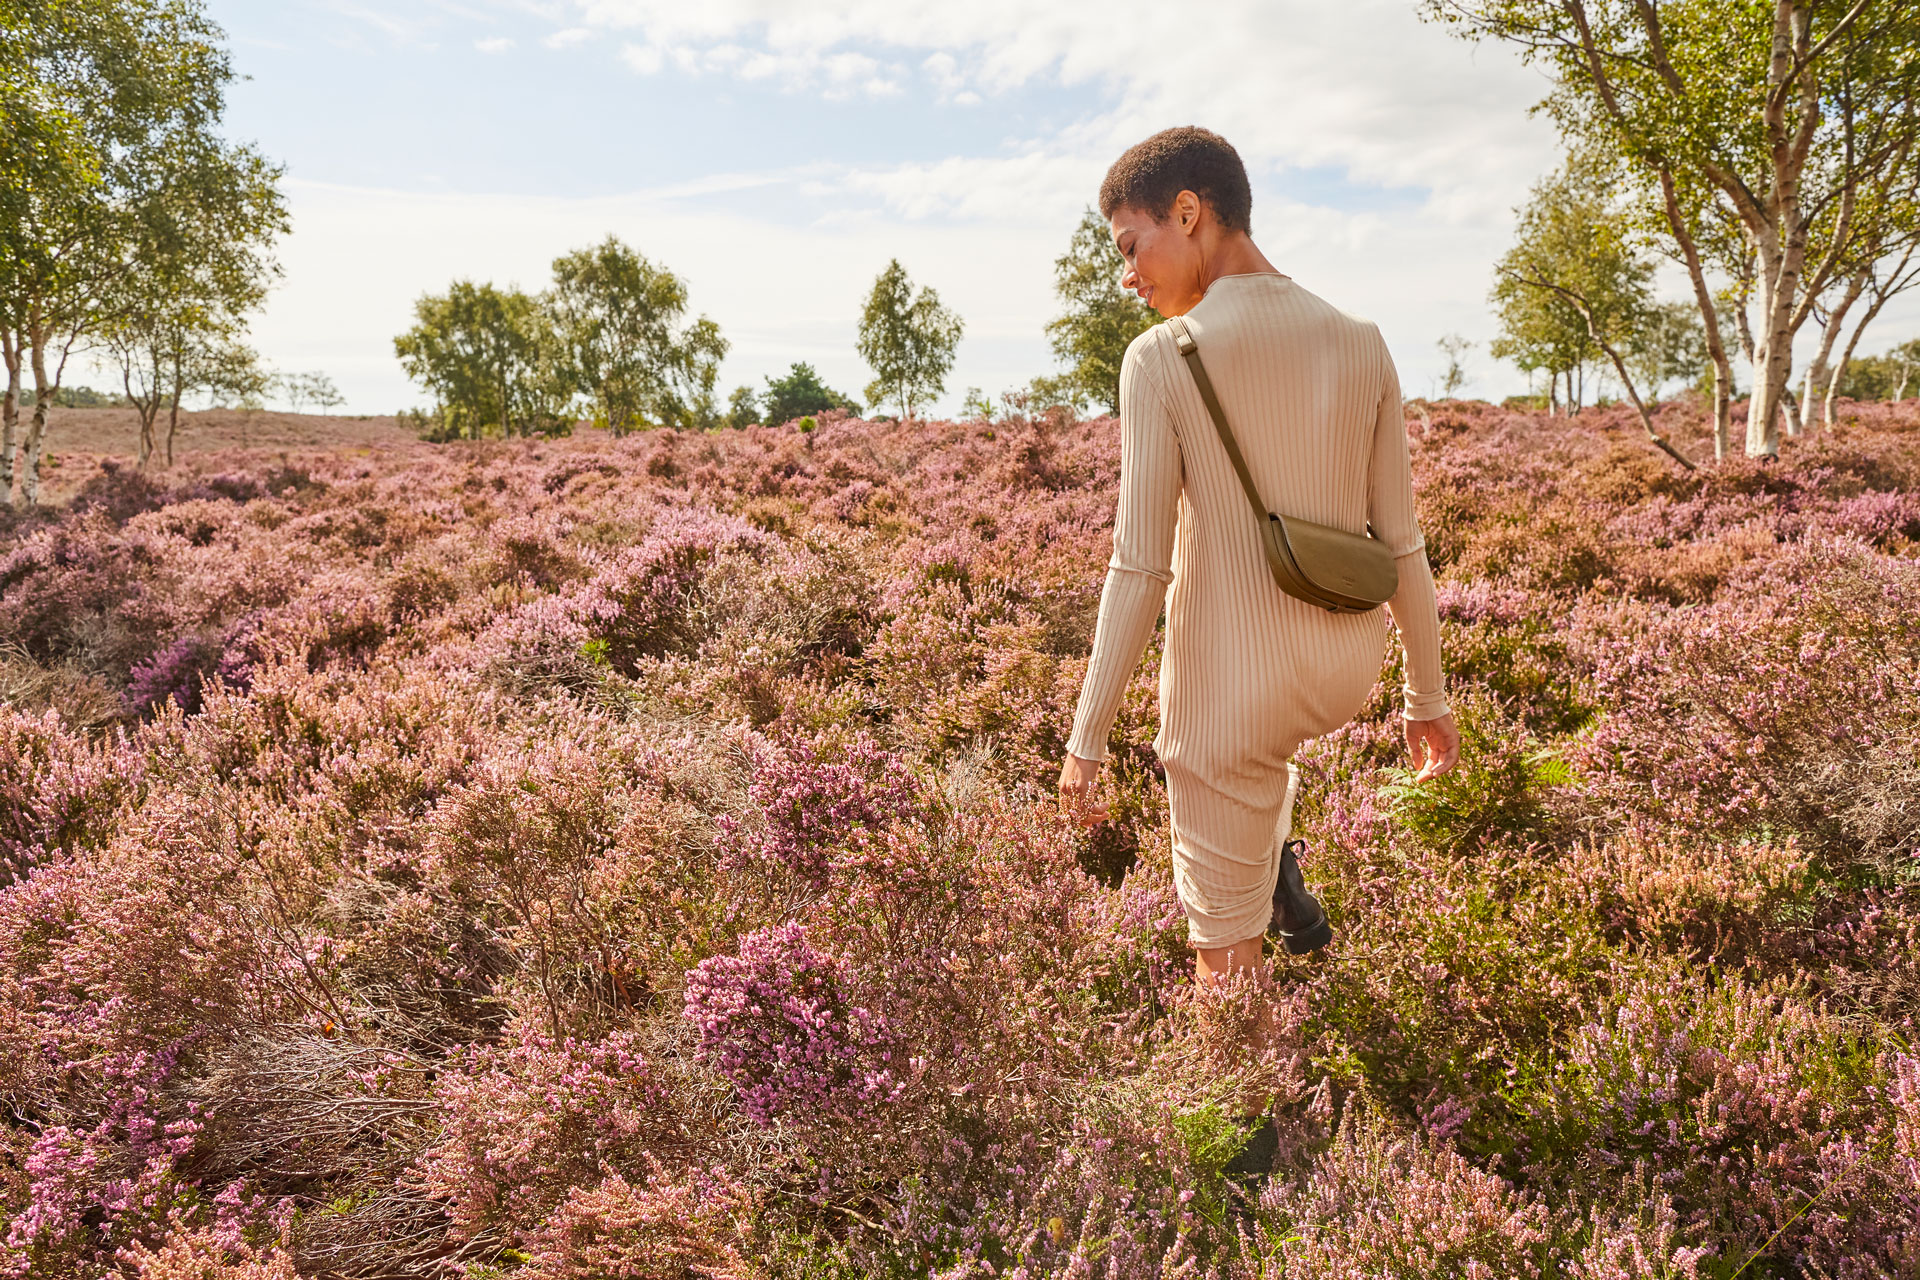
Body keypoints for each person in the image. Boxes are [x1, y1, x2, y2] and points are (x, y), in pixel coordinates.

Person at [1057, 126, 1459, 986]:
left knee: (1225, 966)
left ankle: (1248, 1029)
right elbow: (1403, 543)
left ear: (1189, 213)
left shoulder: (1160, 358)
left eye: (1130, 246)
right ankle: (1273, 861)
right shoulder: (1363, 339)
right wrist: (1425, 697)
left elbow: (1140, 567)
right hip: (1346, 669)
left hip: (1230, 701)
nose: (1128, 275)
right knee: (1264, 758)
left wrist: (1087, 737)